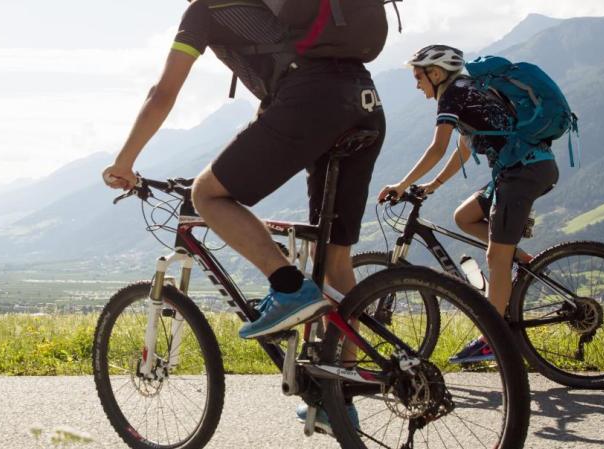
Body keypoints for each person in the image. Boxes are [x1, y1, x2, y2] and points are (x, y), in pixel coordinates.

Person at [102, 0, 385, 341]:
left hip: (312, 101)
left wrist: (124, 162)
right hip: (364, 98)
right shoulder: (277, 8)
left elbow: (163, 93)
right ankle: (343, 382)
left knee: (207, 195)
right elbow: (279, 92)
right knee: (332, 257)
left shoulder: (203, 10)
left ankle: (289, 286)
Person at [378, 45, 559, 364]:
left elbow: (437, 148)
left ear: (436, 74)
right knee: (465, 216)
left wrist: (401, 185)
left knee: (495, 256)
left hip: (523, 172)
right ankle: (519, 260)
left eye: (419, 77)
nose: (417, 85)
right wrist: (431, 186)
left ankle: (493, 339)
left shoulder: (454, 94)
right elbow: (463, 149)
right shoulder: (469, 90)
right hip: (523, 169)